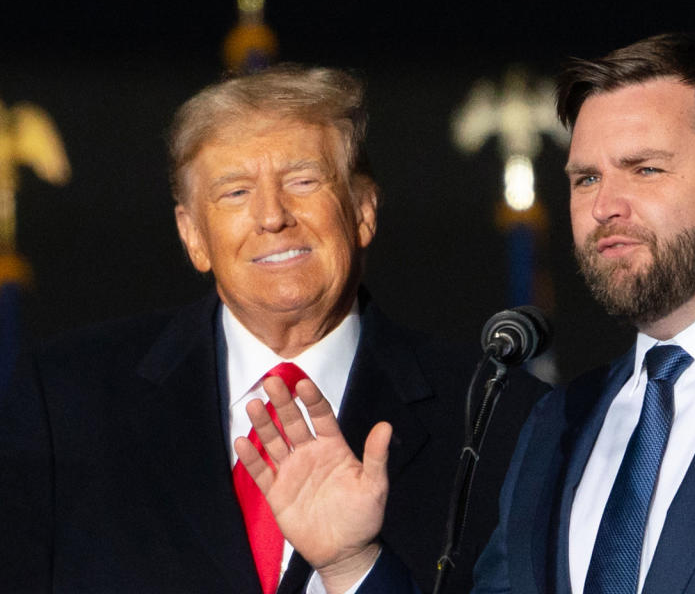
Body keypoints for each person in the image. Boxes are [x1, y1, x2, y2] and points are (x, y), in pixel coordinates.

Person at [230, 34, 695, 594]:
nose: (604, 206)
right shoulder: (558, 421)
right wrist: (352, 563)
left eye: (645, 169)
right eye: (585, 177)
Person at [0, 66, 545, 594]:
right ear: (192, 236)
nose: (272, 216)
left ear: (363, 211)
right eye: (235, 192)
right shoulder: (67, 398)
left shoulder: (500, 418)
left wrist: (354, 568)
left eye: (303, 180)